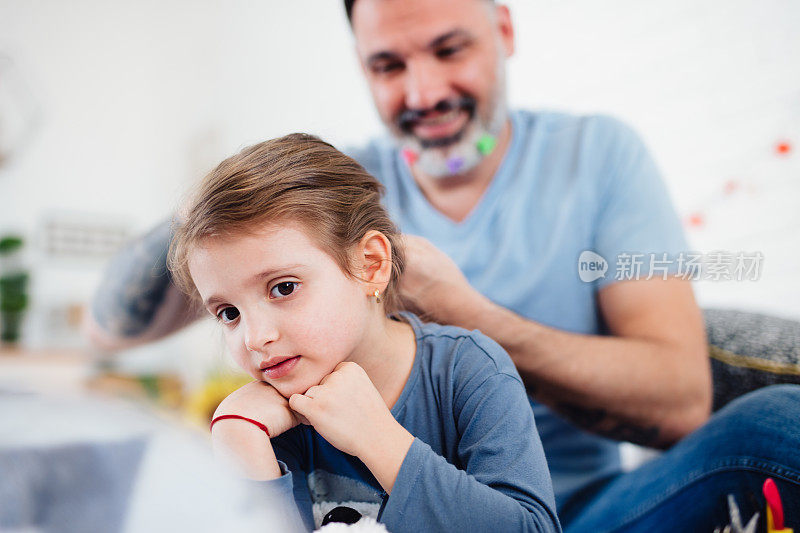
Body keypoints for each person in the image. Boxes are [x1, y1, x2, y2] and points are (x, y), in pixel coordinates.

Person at [86, 0, 800, 529]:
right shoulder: (322, 194)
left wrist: (470, 318)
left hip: (578, 509)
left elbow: (677, 399)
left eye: (449, 49)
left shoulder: (596, 157)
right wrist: (206, 201)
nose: (423, 93)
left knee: (776, 426)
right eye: (388, 65)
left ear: (505, 30)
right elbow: (109, 325)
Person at [165, 133, 561, 532]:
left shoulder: (469, 371)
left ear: (370, 264)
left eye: (284, 287)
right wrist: (242, 445)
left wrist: (377, 438)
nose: (255, 338)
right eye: (229, 313)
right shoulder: (265, 421)